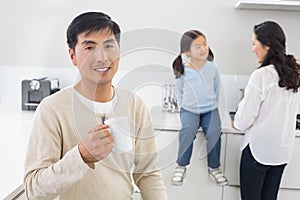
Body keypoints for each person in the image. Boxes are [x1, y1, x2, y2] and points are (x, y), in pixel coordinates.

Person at [23, 11, 168, 200]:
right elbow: (34, 190)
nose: (102, 57)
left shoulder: (135, 105)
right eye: (90, 47)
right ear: (73, 56)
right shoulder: (52, 109)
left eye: (109, 46)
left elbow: (148, 174)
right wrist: (81, 156)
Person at [233, 21, 300, 200]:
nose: (253, 49)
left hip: (258, 152)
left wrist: (237, 120)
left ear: (267, 46)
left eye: (255, 44)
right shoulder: (294, 74)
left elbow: (242, 121)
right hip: (281, 153)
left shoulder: (261, 75)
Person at [171, 30, 228, 186]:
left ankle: (214, 168)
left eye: (205, 44)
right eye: (198, 46)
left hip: (210, 109)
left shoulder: (212, 68)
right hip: (189, 110)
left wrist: (212, 105)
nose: (203, 48)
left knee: (214, 132)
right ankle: (181, 166)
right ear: (187, 52)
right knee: (188, 131)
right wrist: (186, 107)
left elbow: (217, 89)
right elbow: (179, 92)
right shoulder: (183, 70)